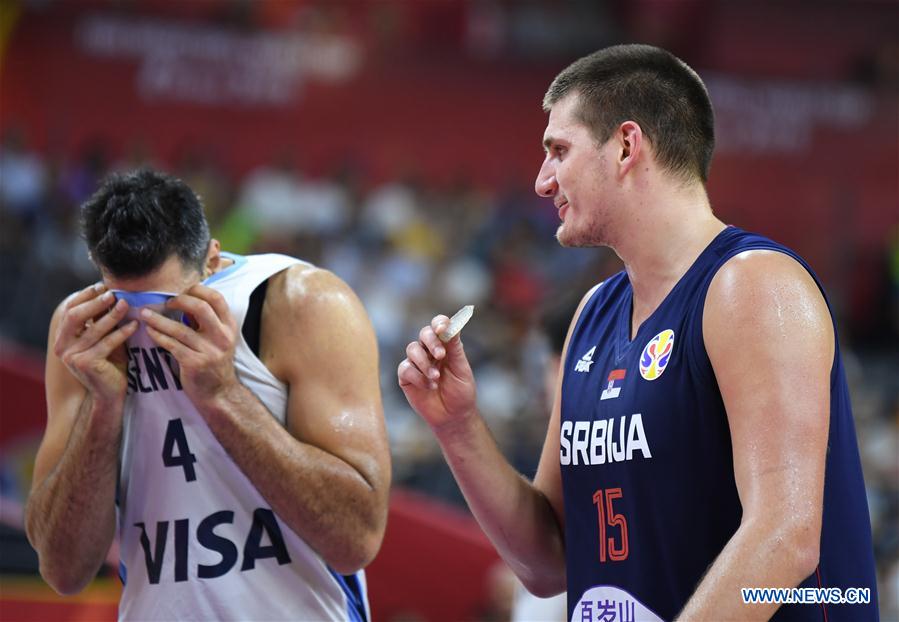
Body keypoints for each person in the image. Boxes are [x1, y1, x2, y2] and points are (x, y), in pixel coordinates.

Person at [398, 44, 879, 621]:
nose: (541, 182)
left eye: (558, 151)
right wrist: (456, 426)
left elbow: (787, 538)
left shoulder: (752, 286)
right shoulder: (593, 314)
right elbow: (550, 562)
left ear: (627, 146)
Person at [25, 169, 391, 621]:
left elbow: (356, 538)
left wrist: (222, 395)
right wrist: (102, 407)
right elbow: (63, 570)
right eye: (129, 306)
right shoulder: (85, 329)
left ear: (213, 261)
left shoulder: (301, 302)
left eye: (167, 305)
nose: (149, 327)